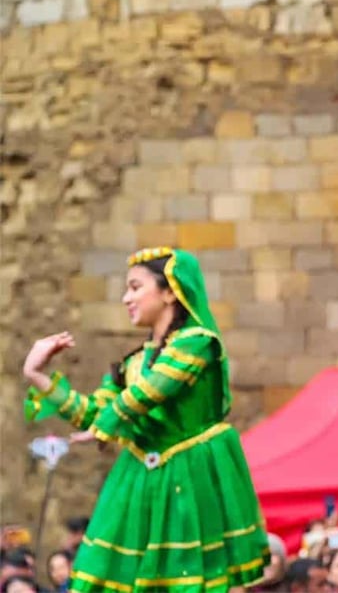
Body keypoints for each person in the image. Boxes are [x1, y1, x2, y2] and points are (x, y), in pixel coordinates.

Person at [22, 247, 268, 591]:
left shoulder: (197, 342)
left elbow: (151, 392)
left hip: (187, 475)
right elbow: (93, 413)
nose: (126, 298)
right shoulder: (131, 363)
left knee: (188, 580)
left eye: (136, 287)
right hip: (140, 479)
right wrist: (36, 375)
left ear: (170, 291)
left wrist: (104, 427)